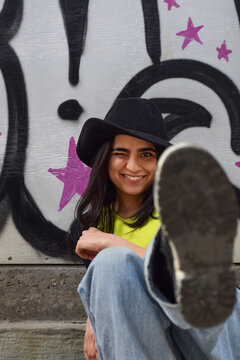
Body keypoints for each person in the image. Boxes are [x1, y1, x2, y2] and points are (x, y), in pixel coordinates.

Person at [70, 98, 240, 360]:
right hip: (152, 346)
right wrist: (93, 318)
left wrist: (114, 243)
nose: (133, 166)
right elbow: (112, 294)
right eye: (121, 153)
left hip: (210, 334)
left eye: (146, 154)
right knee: (110, 265)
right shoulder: (91, 226)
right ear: (105, 158)